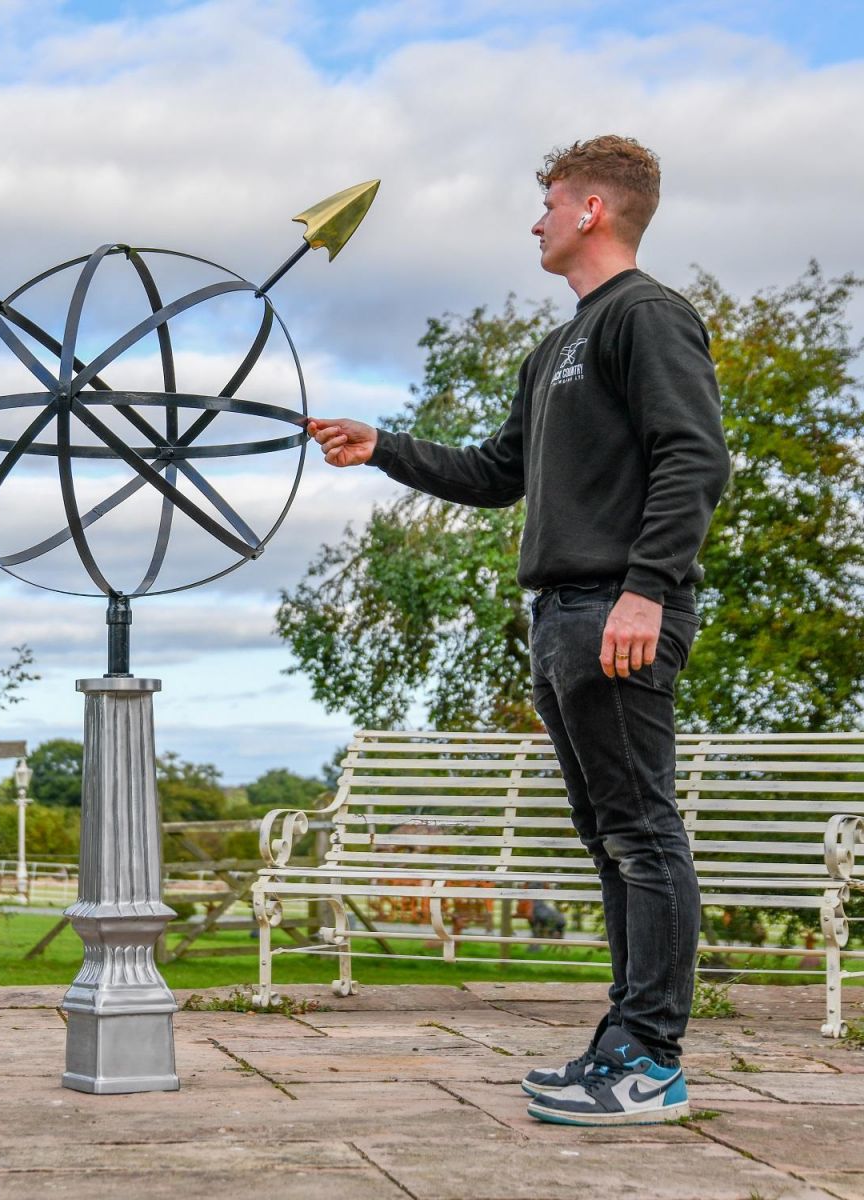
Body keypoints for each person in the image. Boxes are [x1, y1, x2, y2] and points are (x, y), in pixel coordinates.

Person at [306, 135, 730, 1127]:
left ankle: (652, 1062)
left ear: (592, 210)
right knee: (611, 840)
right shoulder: (554, 351)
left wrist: (646, 591)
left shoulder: (647, 316)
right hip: (559, 619)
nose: (534, 221)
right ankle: (621, 1043)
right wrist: (384, 448)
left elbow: (694, 457)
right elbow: (501, 474)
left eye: (550, 203)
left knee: (643, 833)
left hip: (618, 610)